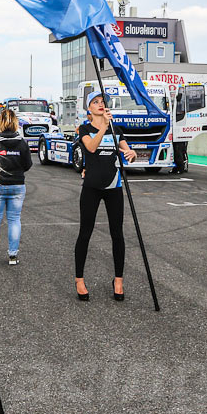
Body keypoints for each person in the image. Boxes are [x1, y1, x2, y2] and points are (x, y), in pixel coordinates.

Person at [74, 91, 138, 302]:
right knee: (85, 232)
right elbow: (91, 148)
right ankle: (79, 279)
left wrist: (131, 153)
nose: (101, 104)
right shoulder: (85, 129)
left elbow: (127, 150)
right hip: (91, 187)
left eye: (103, 102)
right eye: (96, 102)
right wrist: (103, 127)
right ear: (89, 108)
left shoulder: (116, 129)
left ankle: (118, 279)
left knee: (117, 234)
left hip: (114, 187)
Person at [0, 109, 32, 265]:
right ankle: (12, 256)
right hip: (17, 185)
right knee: (14, 219)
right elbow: (28, 164)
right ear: (15, 123)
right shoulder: (21, 143)